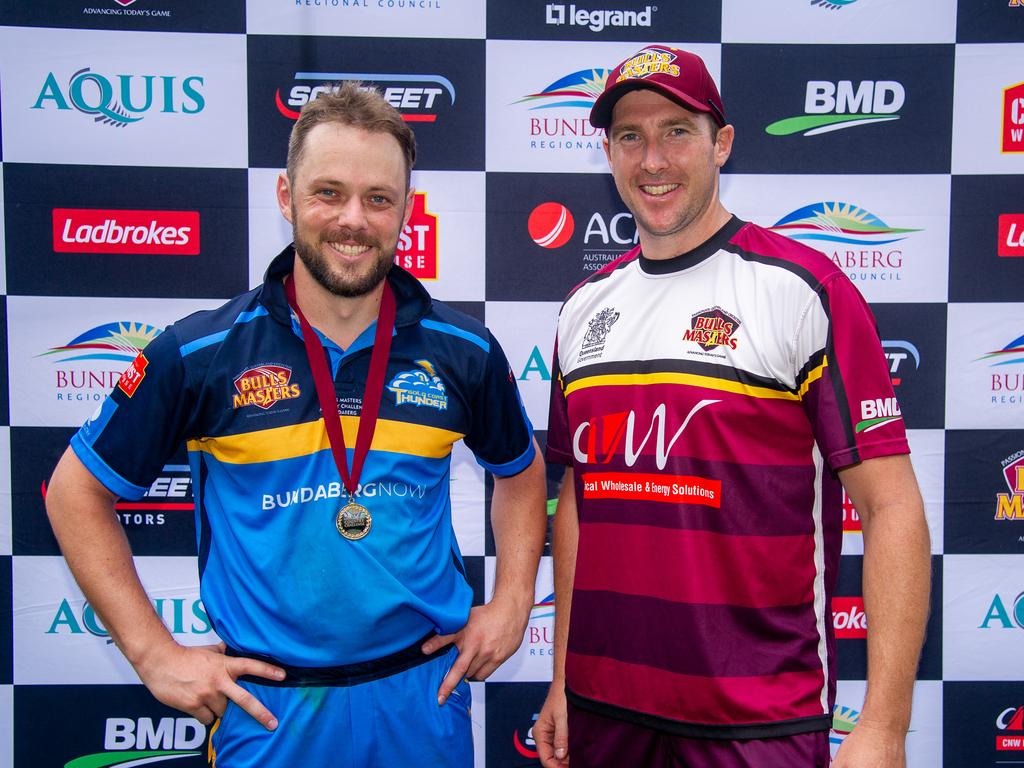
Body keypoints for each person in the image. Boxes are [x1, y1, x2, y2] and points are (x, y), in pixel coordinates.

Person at [45, 82, 547, 768]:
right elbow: (74, 493)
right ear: (286, 197)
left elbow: (520, 474)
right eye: (328, 192)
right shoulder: (200, 354)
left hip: (421, 699)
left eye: (379, 199)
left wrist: (515, 600)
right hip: (270, 711)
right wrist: (152, 652)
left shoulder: (462, 351)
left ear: (405, 209)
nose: (353, 219)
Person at [534, 45, 930, 768]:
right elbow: (579, 498)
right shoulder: (582, 310)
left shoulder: (801, 289)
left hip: (757, 723)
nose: (652, 159)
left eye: (676, 131)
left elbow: (891, 506)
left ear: (721, 143)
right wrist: (562, 676)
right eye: (630, 136)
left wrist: (883, 727)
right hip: (606, 716)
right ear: (609, 152)